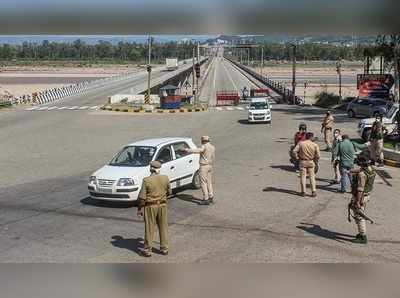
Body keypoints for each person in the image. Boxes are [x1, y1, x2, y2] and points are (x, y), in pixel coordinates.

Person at [137, 161, 171, 257]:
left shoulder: (146, 180)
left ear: (151, 168)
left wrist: (140, 209)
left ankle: (147, 250)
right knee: (163, 227)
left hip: (150, 206)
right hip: (163, 205)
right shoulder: (165, 178)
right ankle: (164, 248)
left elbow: (142, 198)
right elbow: (169, 192)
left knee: (149, 228)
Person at [349, 155, 376, 244]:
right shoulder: (370, 170)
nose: (357, 162)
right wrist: (350, 171)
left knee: (359, 216)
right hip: (367, 196)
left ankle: (363, 236)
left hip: (361, 197)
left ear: (362, 163)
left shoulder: (362, 175)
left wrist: (357, 201)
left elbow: (360, 189)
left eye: (359, 161)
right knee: (360, 214)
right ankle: (361, 233)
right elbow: (361, 170)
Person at [184, 136, 215, 205]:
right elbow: (213, 157)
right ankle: (211, 196)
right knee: (209, 182)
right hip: (210, 165)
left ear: (203, 141)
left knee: (203, 182)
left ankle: (206, 198)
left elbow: (199, 150)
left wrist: (187, 150)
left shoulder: (204, 146)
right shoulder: (212, 147)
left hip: (204, 166)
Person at [293, 132, 320, 197]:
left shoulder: (301, 143)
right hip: (311, 161)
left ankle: (303, 191)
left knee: (303, 177)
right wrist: (315, 161)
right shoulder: (315, 145)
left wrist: (297, 157)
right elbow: (318, 155)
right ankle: (313, 191)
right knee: (312, 177)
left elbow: (294, 151)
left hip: (302, 161)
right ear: (311, 137)